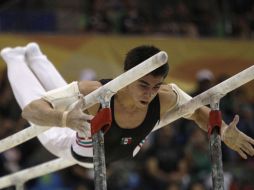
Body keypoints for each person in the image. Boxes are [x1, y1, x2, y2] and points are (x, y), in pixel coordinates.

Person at [1, 43, 254, 168]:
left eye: (156, 86)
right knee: (46, 105)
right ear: (127, 76)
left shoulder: (166, 96)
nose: (150, 94)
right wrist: (65, 120)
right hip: (71, 144)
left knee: (68, 101)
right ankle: (14, 58)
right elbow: (30, 110)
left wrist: (221, 130)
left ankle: (36, 56)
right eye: (143, 85)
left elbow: (198, 112)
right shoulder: (98, 93)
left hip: (91, 132)